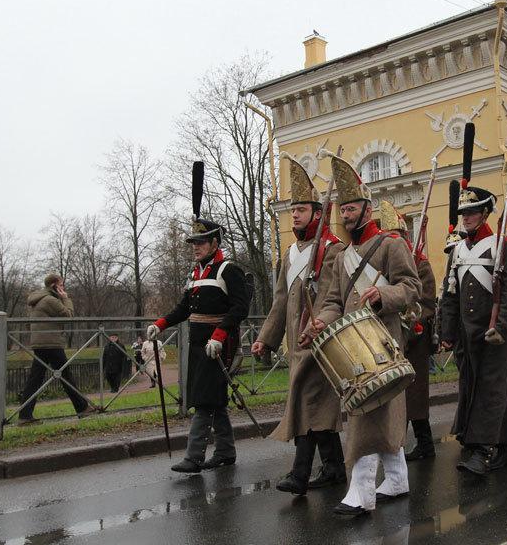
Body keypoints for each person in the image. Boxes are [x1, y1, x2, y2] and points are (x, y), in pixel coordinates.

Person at [305, 154, 422, 517]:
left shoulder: (390, 245)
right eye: (343, 208)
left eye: (353, 207)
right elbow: (334, 301)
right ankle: (398, 478)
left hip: (383, 340)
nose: (347, 214)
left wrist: (383, 295)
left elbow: (412, 287)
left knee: (366, 413)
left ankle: (361, 492)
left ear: (367, 209)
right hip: (351, 347)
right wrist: (321, 321)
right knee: (377, 411)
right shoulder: (342, 257)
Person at [251, 157, 346, 496]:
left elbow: (335, 296)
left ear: (317, 214)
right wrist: (266, 339)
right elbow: (280, 301)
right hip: (296, 345)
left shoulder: (333, 250)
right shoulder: (291, 254)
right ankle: (334, 467)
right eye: (292, 210)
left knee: (307, 402)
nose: (294, 215)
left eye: (301, 210)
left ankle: (300, 474)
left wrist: (319, 324)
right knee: (316, 407)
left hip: (321, 341)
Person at [439, 141, 507, 475]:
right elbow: (450, 293)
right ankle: (502, 444)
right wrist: (447, 332)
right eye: (463, 214)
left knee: (493, 386)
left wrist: (501, 328)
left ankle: (483, 449)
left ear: (485, 213)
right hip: (467, 332)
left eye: (472, 213)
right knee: (474, 384)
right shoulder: (458, 250)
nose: (467, 218)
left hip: (494, 332)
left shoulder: (501, 247)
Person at [147, 217, 253, 473]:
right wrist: (161, 324)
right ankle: (226, 451)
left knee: (204, 402)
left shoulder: (228, 270)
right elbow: (185, 308)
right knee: (214, 399)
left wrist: (219, 335)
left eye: (201, 242)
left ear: (215, 242)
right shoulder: (196, 273)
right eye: (193, 243)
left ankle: (194, 457)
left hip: (219, 344)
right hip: (198, 345)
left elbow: (240, 308)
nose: (196, 247)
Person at [378, 201, 438, 462]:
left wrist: (408, 322)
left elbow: (426, 302)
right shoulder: (382, 265)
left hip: (414, 337)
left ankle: (425, 444)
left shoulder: (420, 264)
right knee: (396, 395)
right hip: (390, 338)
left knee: (415, 394)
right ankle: (397, 446)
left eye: (396, 236)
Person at [18, 274, 94, 425]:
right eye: (61, 284)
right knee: (65, 376)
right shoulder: (50, 300)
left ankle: (25, 415)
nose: (63, 287)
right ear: (54, 285)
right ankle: (82, 408)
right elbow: (68, 316)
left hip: (41, 343)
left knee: (36, 379)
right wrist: (65, 298)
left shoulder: (37, 300)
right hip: (51, 343)